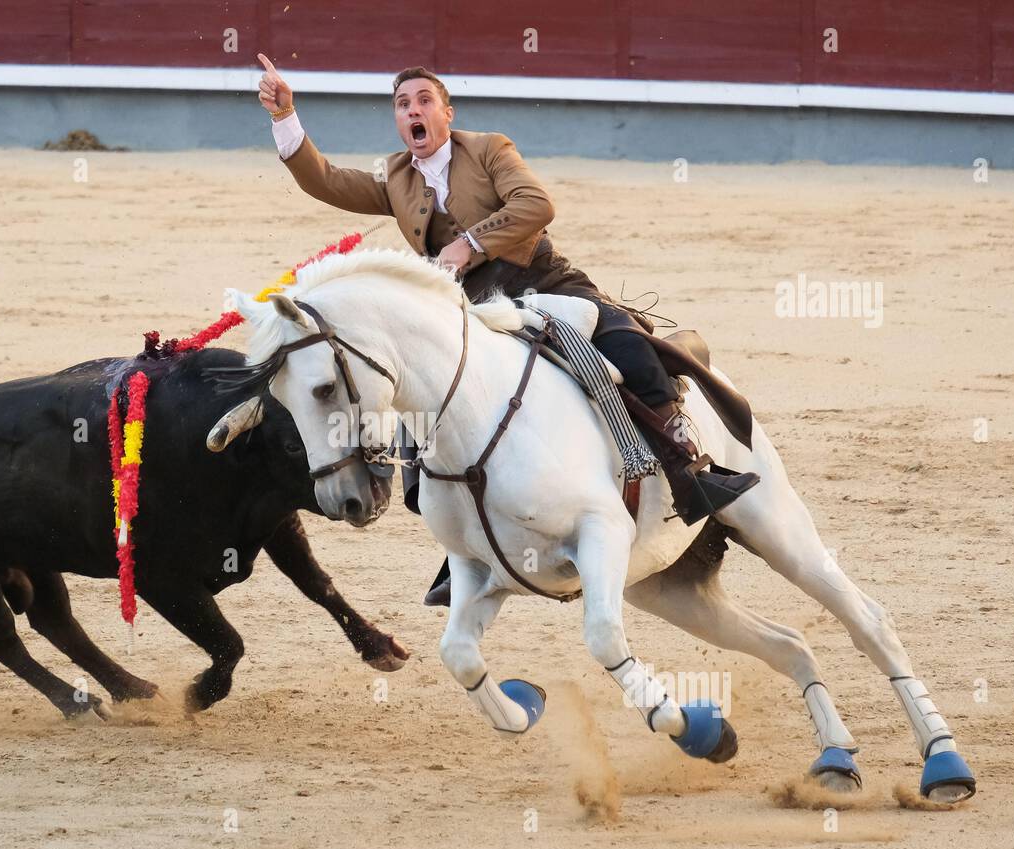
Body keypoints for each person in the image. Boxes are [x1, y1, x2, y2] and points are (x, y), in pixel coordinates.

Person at [255, 54, 759, 604]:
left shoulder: (490, 148)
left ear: (446, 111)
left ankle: (689, 472)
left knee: (627, 346)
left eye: (424, 101)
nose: (413, 112)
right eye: (403, 105)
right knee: (421, 410)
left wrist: (468, 244)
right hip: (470, 309)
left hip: (543, 282)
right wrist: (286, 118)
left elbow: (537, 203)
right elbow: (325, 180)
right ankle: (461, 551)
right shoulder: (396, 175)